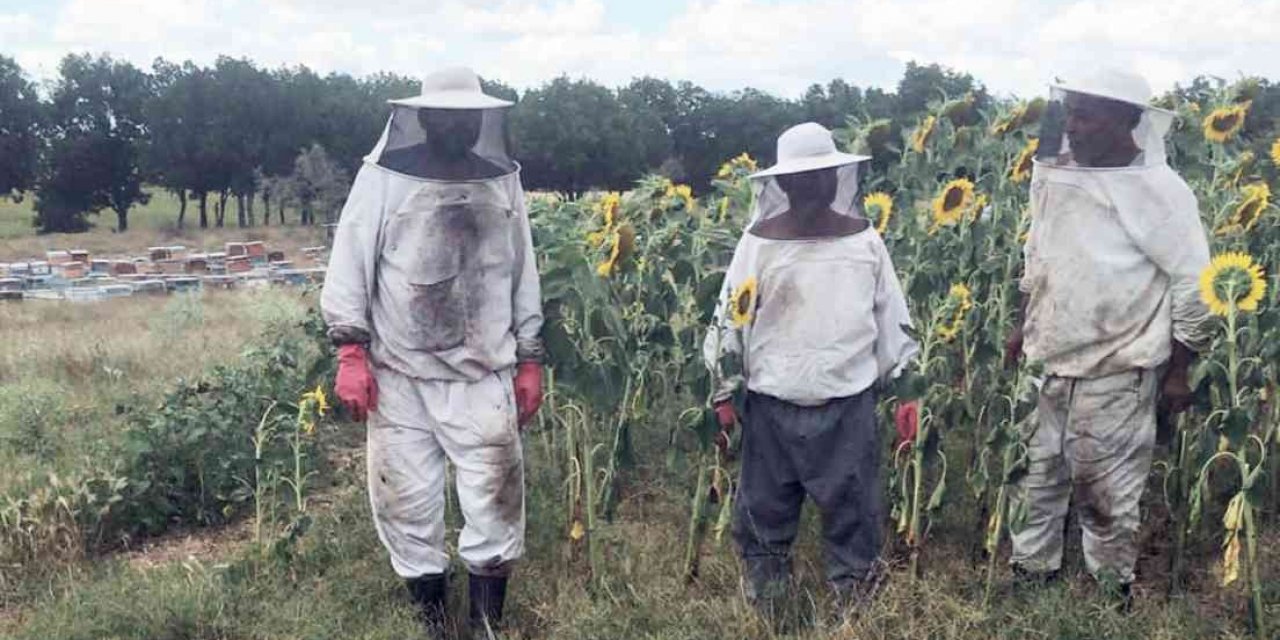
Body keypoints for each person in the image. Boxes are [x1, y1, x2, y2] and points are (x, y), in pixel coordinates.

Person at [320, 67, 544, 636]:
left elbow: (523, 271)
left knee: (495, 497)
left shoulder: (502, 180)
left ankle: (486, 625)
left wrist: (530, 356)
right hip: (400, 376)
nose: (459, 125)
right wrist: (350, 352)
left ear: (480, 119)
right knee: (406, 502)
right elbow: (350, 261)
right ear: (424, 117)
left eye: (468, 116)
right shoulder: (383, 179)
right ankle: (435, 622)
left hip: (483, 375)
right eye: (448, 115)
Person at [1006, 69, 1212, 601]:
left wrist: (1180, 367)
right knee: (1035, 476)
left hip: (1118, 366)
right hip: (1047, 358)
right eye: (1070, 112)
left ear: (1128, 121)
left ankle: (1107, 592)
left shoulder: (1161, 191)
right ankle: (1032, 573)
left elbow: (1194, 280)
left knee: (1106, 490)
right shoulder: (1056, 174)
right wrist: (1020, 322)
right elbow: (1039, 254)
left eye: (1088, 114)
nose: (1074, 126)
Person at [703, 122, 918, 614]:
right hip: (771, 403)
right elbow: (729, 318)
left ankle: (855, 609)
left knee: (854, 512)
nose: (809, 186)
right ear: (782, 184)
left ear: (834, 179)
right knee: (763, 514)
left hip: (848, 402)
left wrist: (909, 389)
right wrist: (722, 391)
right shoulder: (757, 244)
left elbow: (893, 318)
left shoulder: (864, 242)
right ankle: (770, 605)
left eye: (819, 176)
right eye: (799, 178)